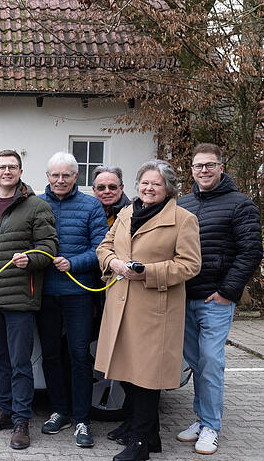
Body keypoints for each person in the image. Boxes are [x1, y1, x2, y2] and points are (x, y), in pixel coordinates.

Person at [96, 159, 201, 461]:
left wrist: (146, 273)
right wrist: (113, 263)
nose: (149, 187)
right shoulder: (127, 212)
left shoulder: (183, 219)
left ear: (168, 188)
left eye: (156, 183)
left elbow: (190, 265)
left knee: (146, 378)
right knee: (126, 372)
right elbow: (105, 246)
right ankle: (146, 432)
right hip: (121, 305)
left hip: (155, 309)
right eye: (144, 182)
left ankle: (141, 443)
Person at [176, 143, 262, 455]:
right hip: (185, 298)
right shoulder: (183, 204)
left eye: (209, 165)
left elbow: (251, 251)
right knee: (197, 363)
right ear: (192, 170)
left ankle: (212, 426)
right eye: (198, 166)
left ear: (221, 167)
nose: (203, 171)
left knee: (212, 362)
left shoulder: (240, 204)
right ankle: (201, 419)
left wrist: (228, 292)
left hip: (216, 300)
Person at [0, 149, 57, 450]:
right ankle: (4, 413)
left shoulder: (36, 206)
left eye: (13, 167)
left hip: (20, 297)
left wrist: (31, 259)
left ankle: (21, 421)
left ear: (20, 172)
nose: (7, 171)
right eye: (2, 167)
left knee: (21, 363)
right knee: (0, 361)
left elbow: (49, 247)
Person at [36, 152, 108, 448]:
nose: (60, 180)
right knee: (51, 355)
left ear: (77, 177)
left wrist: (74, 263)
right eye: (55, 175)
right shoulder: (37, 204)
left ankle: (82, 420)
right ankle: (59, 411)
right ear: (48, 177)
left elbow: (102, 248)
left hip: (78, 294)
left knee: (79, 357)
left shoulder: (91, 205)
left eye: (66, 175)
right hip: (45, 293)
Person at [91, 164, 134, 447]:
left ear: (121, 188)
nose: (107, 191)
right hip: (96, 294)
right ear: (94, 190)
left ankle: (132, 418)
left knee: (129, 357)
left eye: (112, 187)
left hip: (126, 294)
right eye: (101, 187)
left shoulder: (133, 214)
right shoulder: (92, 211)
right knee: (102, 354)